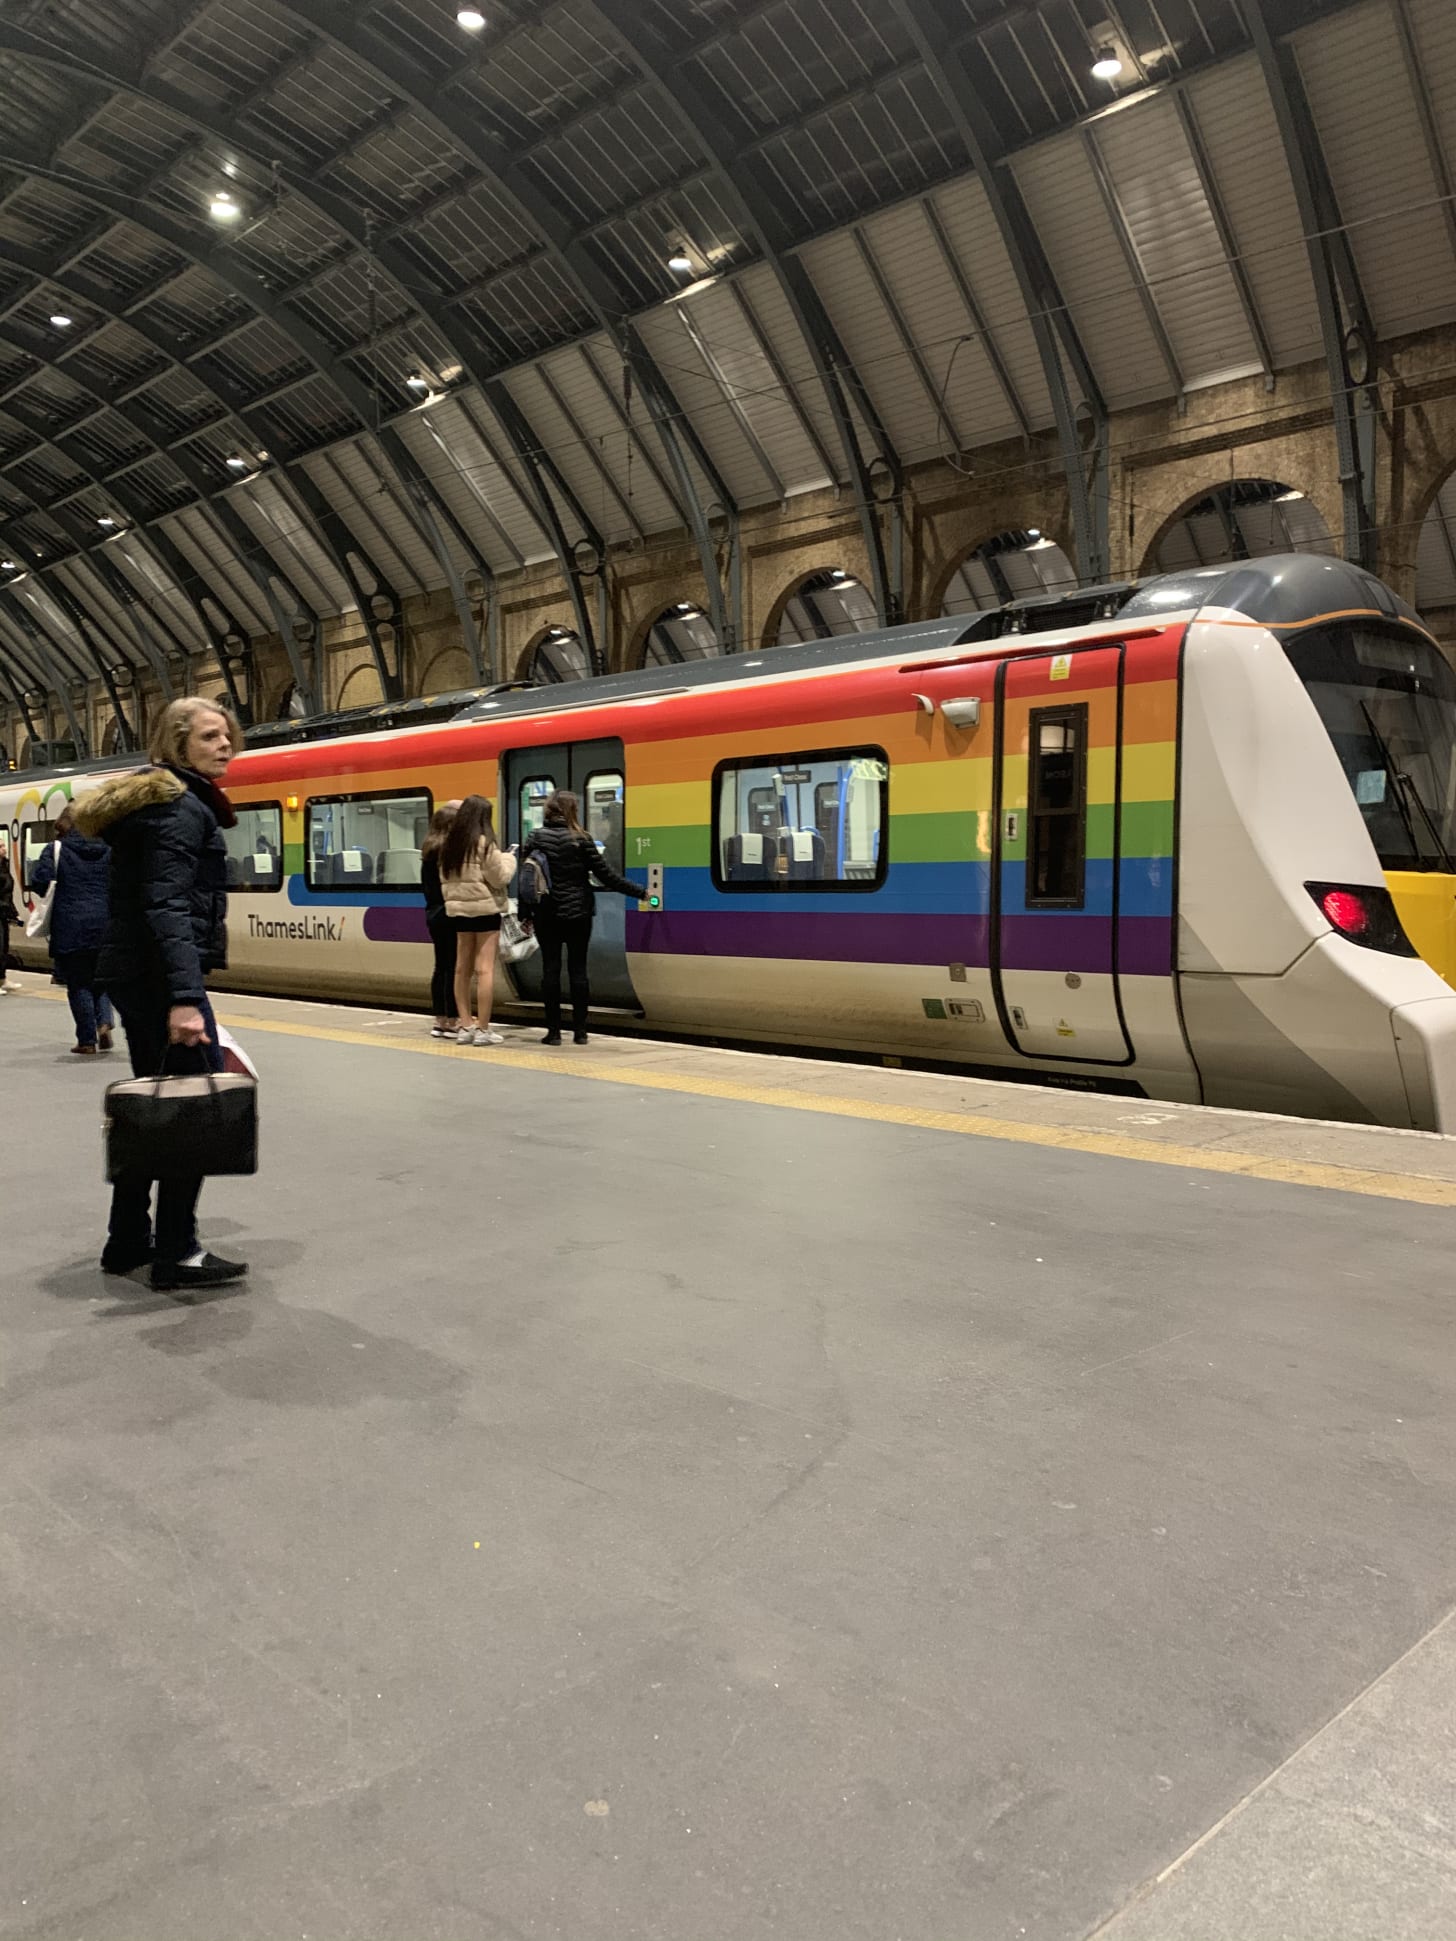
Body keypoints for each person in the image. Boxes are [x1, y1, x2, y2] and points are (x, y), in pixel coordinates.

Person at [74, 696, 248, 1294]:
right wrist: (184, 997)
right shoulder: (181, 809)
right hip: (157, 979)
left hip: (136, 974)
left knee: (156, 1107)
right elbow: (167, 905)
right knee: (189, 1112)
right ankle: (178, 1250)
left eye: (226, 734)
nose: (223, 744)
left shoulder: (164, 803)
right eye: (208, 736)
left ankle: (127, 1242)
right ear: (178, 745)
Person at [522, 790, 647, 1045]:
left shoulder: (535, 838)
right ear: (573, 811)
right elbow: (606, 876)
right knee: (578, 969)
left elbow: (526, 879)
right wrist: (641, 892)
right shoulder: (583, 839)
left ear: (548, 811)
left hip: (547, 913)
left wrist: (525, 913)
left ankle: (554, 1033)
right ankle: (580, 1032)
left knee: (551, 969)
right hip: (579, 913)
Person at [29, 802, 116, 1054]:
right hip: (105, 923)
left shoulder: (56, 849)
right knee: (100, 981)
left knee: (78, 983)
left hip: (70, 926)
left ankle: (87, 1040)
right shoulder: (109, 848)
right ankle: (104, 1023)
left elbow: (40, 882)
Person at [439, 793, 516, 1047]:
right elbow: (500, 877)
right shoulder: (484, 844)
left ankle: (465, 1026)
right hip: (485, 912)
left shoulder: (449, 844)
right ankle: (483, 1029)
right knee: (485, 969)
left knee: (461, 969)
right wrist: (510, 858)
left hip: (459, 913)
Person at [420, 799, 460, 1038]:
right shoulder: (450, 850)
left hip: (433, 912)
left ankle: (440, 1019)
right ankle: (454, 1019)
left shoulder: (429, 847)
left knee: (441, 966)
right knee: (454, 967)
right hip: (451, 912)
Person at [0, 842, 16, 993]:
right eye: (0, 846)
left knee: (4, 945)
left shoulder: (4, 865)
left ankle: (2, 979)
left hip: (3, 911)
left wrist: (12, 910)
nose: (4, 849)